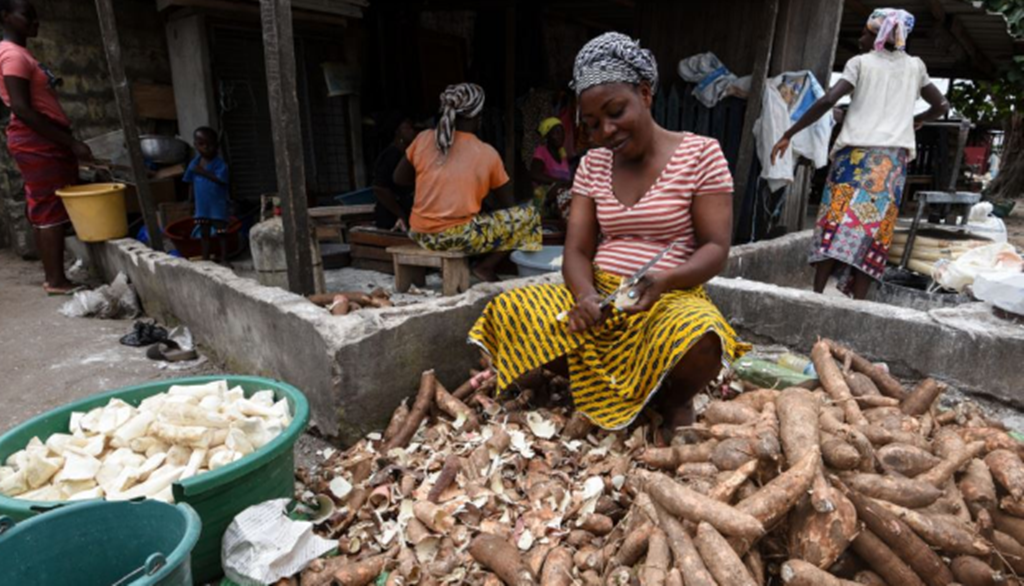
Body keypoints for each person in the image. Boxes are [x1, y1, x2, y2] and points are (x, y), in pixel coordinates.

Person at [468, 33, 746, 435]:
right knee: (510, 309)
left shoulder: (701, 154)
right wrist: (585, 298)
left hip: (665, 299)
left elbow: (716, 248)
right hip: (599, 298)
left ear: (645, 94)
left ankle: (670, 400)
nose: (606, 131)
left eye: (616, 112)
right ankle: (609, 387)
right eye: (593, 124)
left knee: (702, 338)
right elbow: (577, 250)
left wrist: (664, 280)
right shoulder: (594, 164)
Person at [771, 8, 949, 299]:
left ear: (879, 35)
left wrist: (789, 133)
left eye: (866, 32)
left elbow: (829, 98)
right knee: (873, 233)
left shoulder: (860, 63)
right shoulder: (916, 67)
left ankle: (817, 296)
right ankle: (858, 304)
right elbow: (942, 106)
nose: (860, 38)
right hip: (890, 165)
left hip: (853, 159)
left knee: (835, 222)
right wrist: (920, 119)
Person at [394, 82, 541, 282]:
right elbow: (509, 205)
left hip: (420, 234)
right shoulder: (486, 153)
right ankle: (484, 267)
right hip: (454, 238)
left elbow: (399, 179)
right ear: (479, 118)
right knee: (528, 217)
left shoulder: (423, 138)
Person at [0, 0, 92, 294]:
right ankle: (56, 280)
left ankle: (55, 277)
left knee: (46, 205)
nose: (35, 23)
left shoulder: (20, 54)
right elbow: (23, 109)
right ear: (5, 17)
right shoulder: (12, 55)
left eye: (36, 18)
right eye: (27, 16)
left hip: (42, 138)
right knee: (49, 207)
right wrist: (71, 143)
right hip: (37, 139)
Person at [183, 126, 230, 262]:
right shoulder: (194, 164)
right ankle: (205, 257)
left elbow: (222, 180)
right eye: (201, 144)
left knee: (221, 233)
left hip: (217, 205)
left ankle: (224, 258)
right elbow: (190, 182)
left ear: (216, 145)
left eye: (210, 144)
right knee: (204, 233)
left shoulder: (220, 164)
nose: (206, 148)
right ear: (195, 145)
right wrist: (190, 201)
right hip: (202, 206)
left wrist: (203, 172)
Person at [372, 113, 417, 231]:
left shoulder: (409, 154)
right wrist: (400, 213)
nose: (413, 132)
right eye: (408, 128)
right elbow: (379, 188)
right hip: (390, 216)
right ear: (398, 132)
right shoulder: (391, 155)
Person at [530, 117, 573, 220]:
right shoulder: (541, 151)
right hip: (544, 200)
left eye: (562, 133)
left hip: (560, 199)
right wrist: (558, 181)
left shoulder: (563, 156)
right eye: (556, 133)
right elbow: (534, 174)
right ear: (548, 135)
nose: (561, 136)